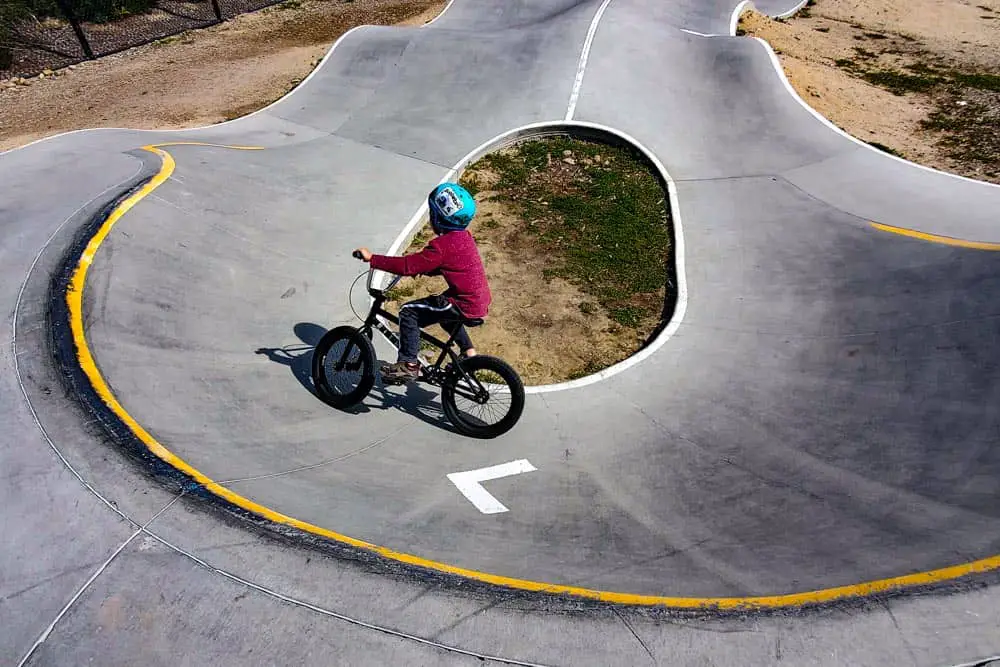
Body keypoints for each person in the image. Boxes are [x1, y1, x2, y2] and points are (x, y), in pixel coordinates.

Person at [355, 182, 492, 384]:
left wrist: (372, 259)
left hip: (463, 303)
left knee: (408, 312)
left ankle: (408, 365)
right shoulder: (464, 237)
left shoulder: (441, 246)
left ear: (437, 217)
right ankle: (468, 351)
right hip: (477, 300)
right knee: (445, 312)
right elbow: (452, 264)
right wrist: (428, 268)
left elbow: (408, 266)